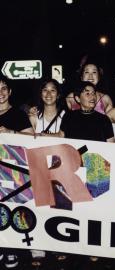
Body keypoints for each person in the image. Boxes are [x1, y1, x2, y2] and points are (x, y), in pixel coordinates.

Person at [0, 75, 34, 269]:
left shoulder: (18, 115)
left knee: (12, 210)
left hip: (13, 174)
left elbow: (31, 138)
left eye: (4, 88)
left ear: (10, 91)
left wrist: (11, 133)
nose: (1, 93)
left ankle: (11, 249)